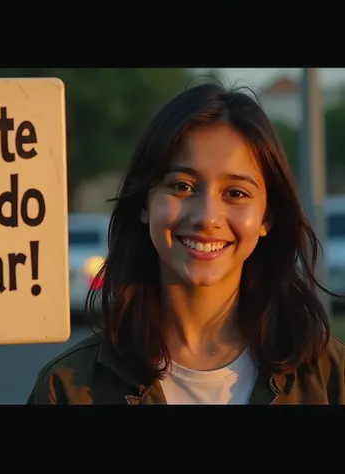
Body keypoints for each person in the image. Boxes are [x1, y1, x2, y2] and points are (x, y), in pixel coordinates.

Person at [27, 80, 345, 405]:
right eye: (182, 186)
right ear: (144, 204)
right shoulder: (68, 389)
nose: (207, 217)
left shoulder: (330, 376)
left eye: (235, 193)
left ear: (266, 218)